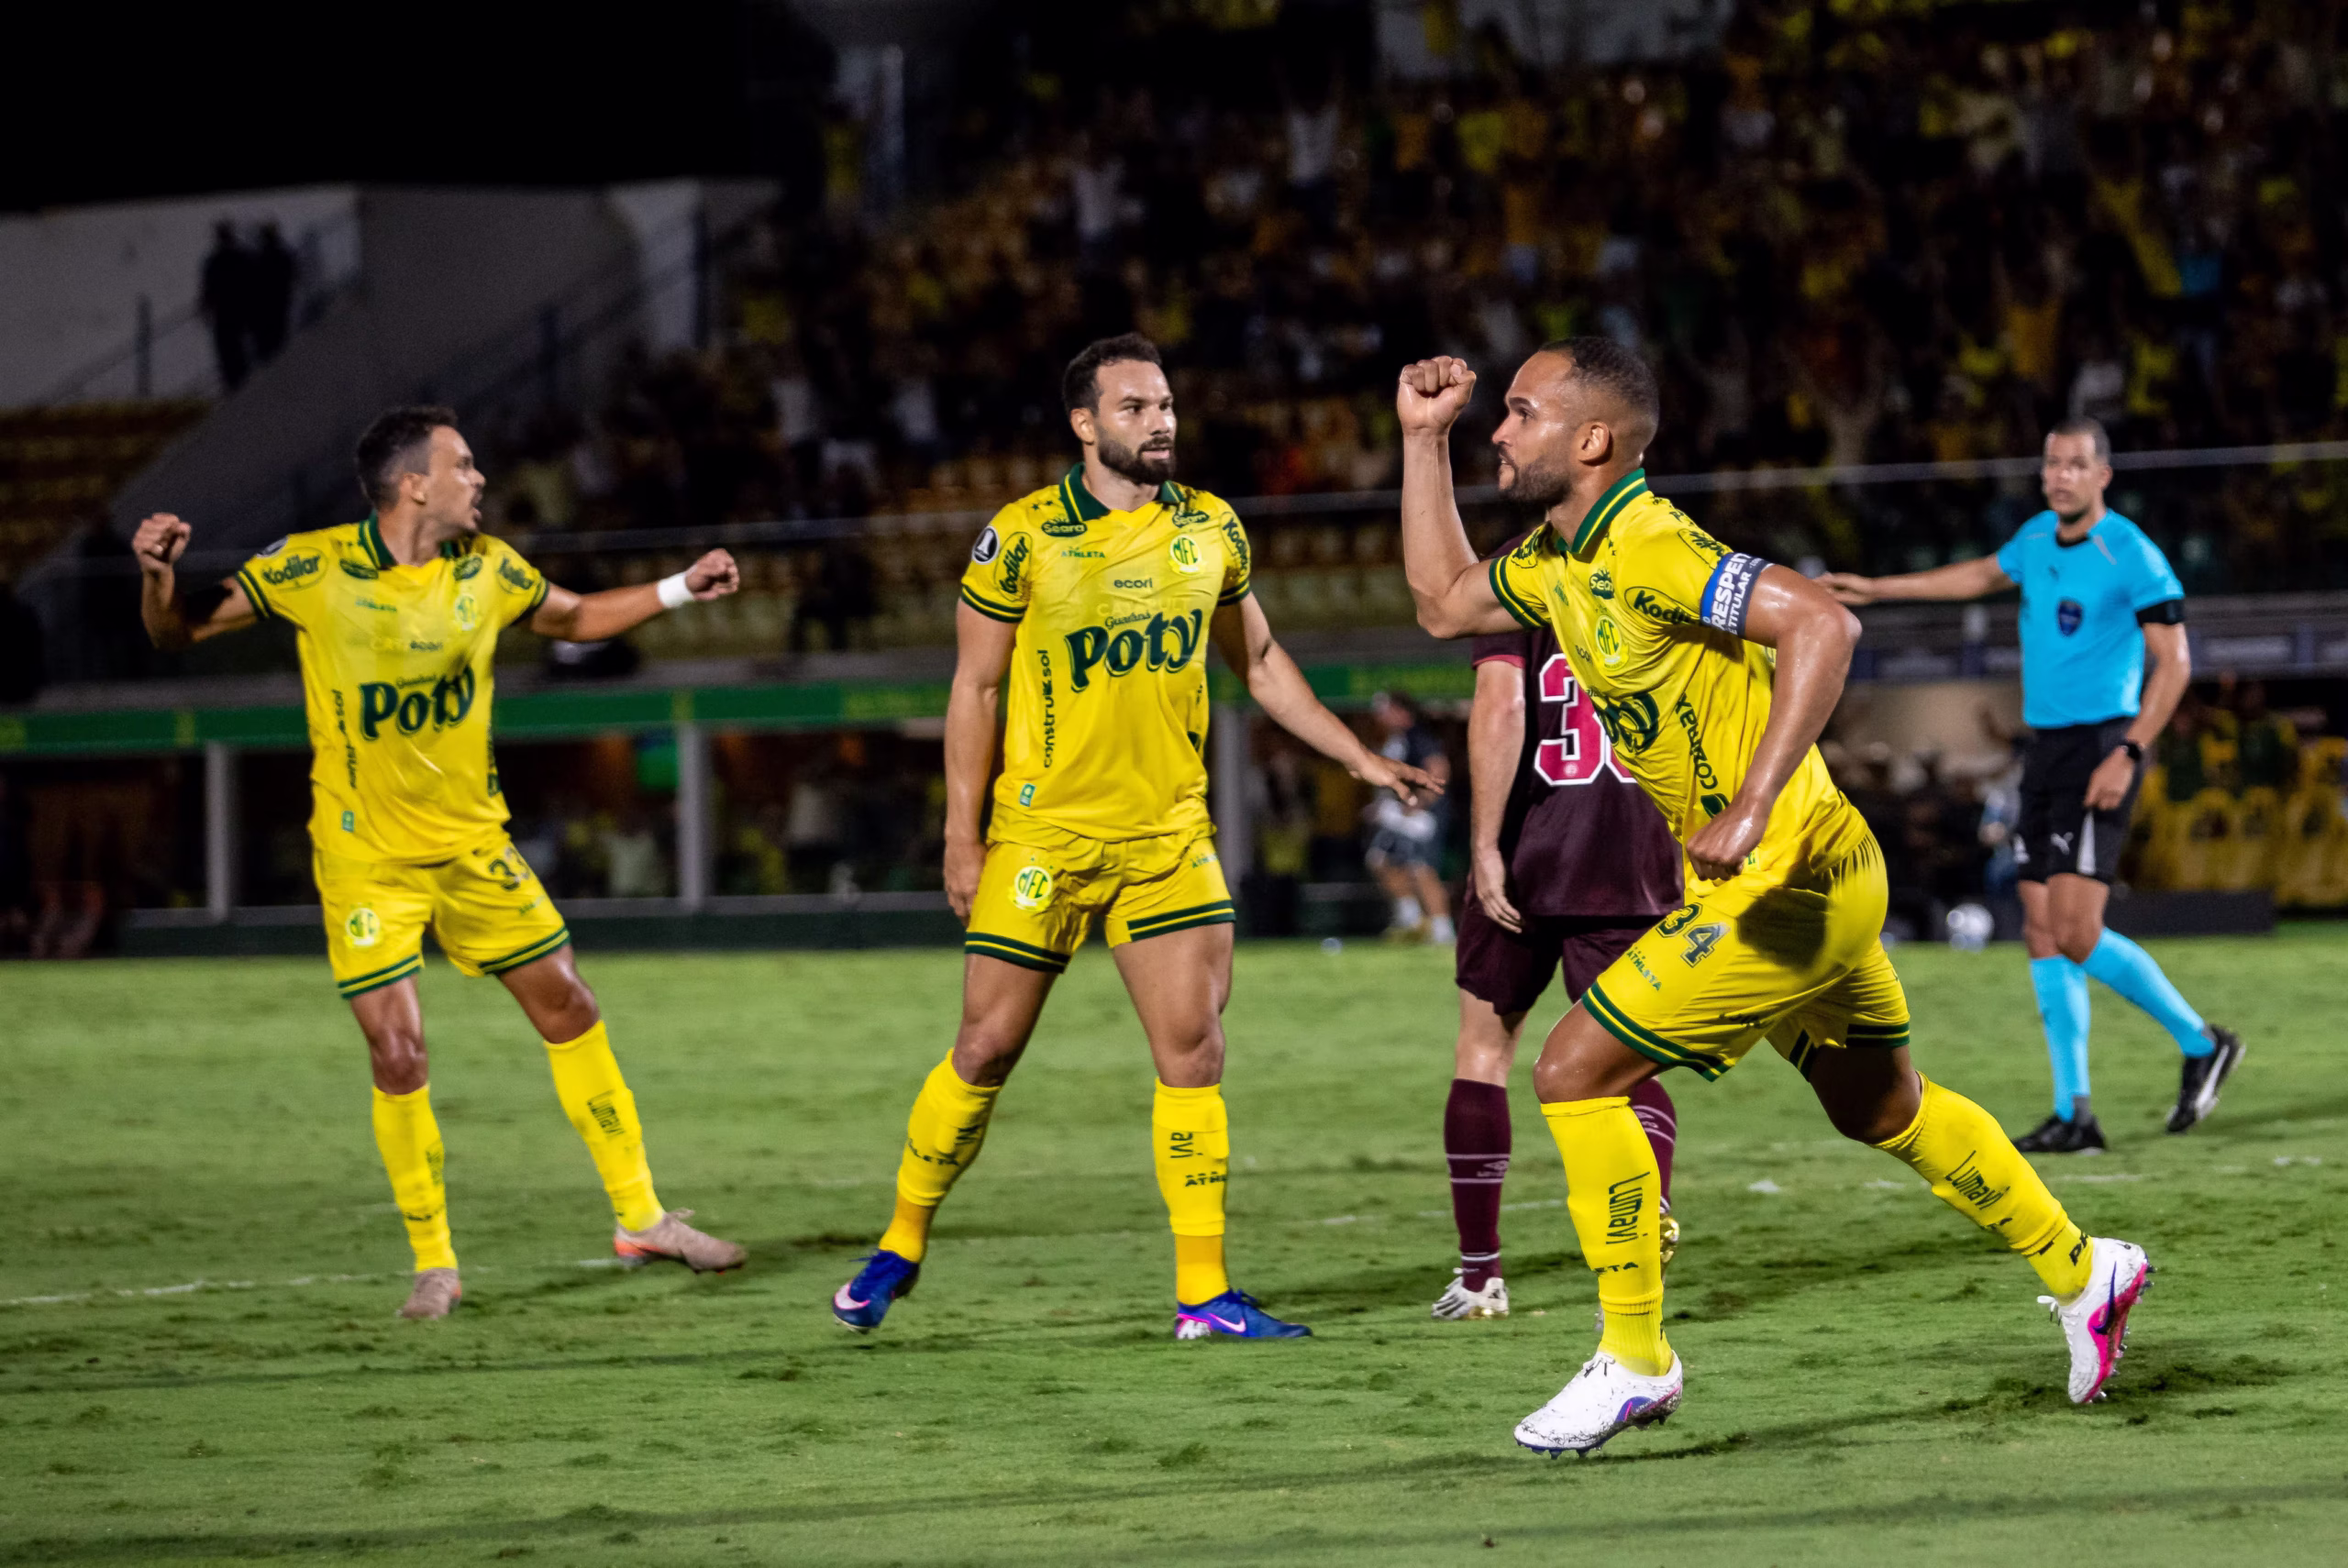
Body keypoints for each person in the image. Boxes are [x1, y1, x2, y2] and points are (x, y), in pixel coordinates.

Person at [1394, 340, 2147, 1456]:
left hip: (1778, 884)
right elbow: (1444, 604)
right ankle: (2088, 1273)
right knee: (1879, 1109)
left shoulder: (1651, 544)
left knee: (1569, 1073)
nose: (1496, 432)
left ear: (1591, 440)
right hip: (1823, 874)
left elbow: (1823, 623)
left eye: (1516, 412)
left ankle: (1637, 1360)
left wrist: (1748, 804)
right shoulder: (1561, 562)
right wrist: (1421, 441)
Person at [831, 335, 1440, 1342]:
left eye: (1164, 404)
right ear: (1083, 424)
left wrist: (1356, 758)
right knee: (984, 1049)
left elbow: (1265, 660)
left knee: (1193, 1055)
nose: (1159, 421)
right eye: (1134, 407)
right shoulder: (1019, 538)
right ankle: (899, 1243)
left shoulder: (1211, 529)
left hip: (1167, 840)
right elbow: (974, 689)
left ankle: (1202, 1294)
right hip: (1041, 841)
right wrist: (960, 837)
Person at [132, 405, 748, 1320]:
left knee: (570, 1005)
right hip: (368, 861)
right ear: (414, 482)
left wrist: (680, 589)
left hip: (472, 849)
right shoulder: (310, 565)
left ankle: (642, 1219)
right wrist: (156, 578)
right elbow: (175, 632)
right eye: (464, 465)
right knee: (399, 1050)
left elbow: (574, 617)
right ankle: (435, 1262)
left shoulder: (490, 569)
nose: (481, 480)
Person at [1822, 420, 2242, 1153]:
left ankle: (2202, 1041)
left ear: (2103, 475)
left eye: (2077, 464)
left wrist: (2132, 753)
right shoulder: (2038, 537)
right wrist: (1880, 589)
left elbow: (2174, 663)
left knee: (2077, 930)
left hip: (2102, 746)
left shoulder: (2133, 554)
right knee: (2042, 931)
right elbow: (1982, 574)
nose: (2061, 476)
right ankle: (2074, 1111)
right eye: (2052, 464)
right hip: (2046, 751)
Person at [1433, 542, 1685, 1321]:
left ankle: (1480, 1279)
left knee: (1485, 1050)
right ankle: (1651, 1221)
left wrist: (1482, 847)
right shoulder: (1663, 555)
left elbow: (1504, 704)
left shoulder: (1516, 572)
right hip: (1631, 846)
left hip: (1529, 844)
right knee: (1625, 1058)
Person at [1364, 690, 1454, 943]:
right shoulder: (1394, 739)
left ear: (1401, 711)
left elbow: (1439, 769)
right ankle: (1411, 918)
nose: (1379, 716)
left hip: (1422, 817)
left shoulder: (1419, 736)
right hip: (1397, 815)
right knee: (1380, 859)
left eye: (1385, 710)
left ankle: (1442, 929)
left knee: (1422, 868)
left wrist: (1421, 802)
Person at [198, 221, 253, 392]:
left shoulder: (214, 262)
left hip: (226, 314)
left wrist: (205, 307)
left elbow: (207, 289)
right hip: (237, 312)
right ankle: (240, 382)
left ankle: (235, 383)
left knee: (228, 351)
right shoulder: (241, 257)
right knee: (236, 349)